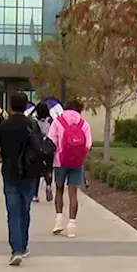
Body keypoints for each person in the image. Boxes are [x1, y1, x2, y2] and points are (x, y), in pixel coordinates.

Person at [0, 92, 43, 265]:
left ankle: (16, 249)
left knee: (13, 212)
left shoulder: (4, 127)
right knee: (25, 210)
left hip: (10, 173)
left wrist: (4, 154)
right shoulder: (32, 125)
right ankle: (25, 245)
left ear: (11, 106)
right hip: (30, 174)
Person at [48, 99, 93, 238]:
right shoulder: (84, 124)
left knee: (59, 190)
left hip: (60, 161)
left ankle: (59, 221)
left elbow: (51, 141)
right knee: (73, 193)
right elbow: (88, 144)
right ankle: (72, 225)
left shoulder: (57, 121)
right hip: (77, 162)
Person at [32, 104, 56, 202]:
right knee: (49, 168)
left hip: (37, 148)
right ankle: (49, 185)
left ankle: (35, 194)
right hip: (49, 147)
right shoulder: (51, 121)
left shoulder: (34, 121)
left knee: (36, 171)